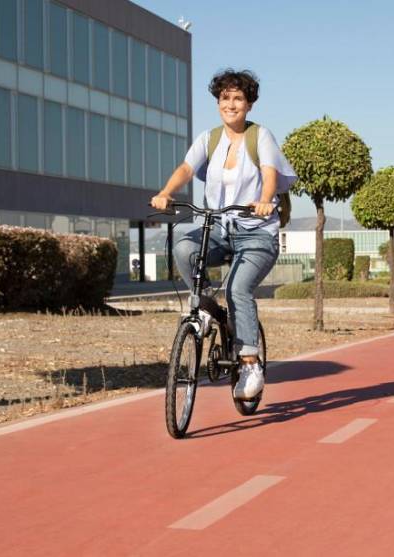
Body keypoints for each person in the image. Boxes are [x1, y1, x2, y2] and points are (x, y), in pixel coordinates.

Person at [150, 69, 297, 401]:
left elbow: (270, 174)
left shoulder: (261, 137)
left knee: (237, 288)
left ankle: (249, 364)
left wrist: (263, 201)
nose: (231, 104)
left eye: (238, 98)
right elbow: (187, 168)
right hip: (218, 228)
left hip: (256, 234)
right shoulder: (209, 139)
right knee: (184, 247)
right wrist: (166, 192)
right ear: (218, 103)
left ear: (249, 104)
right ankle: (203, 305)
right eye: (225, 98)